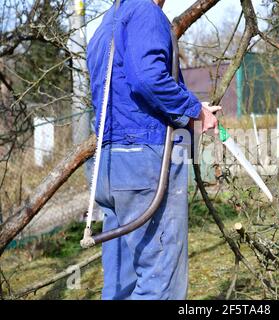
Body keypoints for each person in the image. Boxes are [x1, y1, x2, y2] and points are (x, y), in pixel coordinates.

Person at [86, 0, 221, 300]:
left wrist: (194, 106)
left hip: (108, 167)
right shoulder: (145, 12)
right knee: (160, 285)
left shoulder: (106, 24)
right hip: (143, 164)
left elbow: (127, 86)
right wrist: (195, 112)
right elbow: (148, 79)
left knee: (121, 285)